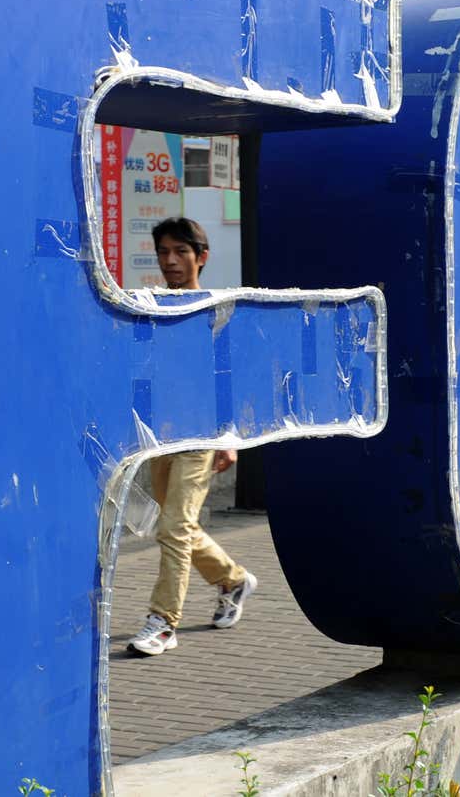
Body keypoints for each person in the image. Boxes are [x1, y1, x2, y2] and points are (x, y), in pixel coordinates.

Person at [128, 217, 258, 656]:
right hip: (163, 436)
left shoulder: (215, 308)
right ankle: (234, 579)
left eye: (181, 252)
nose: (171, 261)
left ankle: (163, 622)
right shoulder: (154, 305)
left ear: (201, 257)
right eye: (163, 252)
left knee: (175, 526)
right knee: (176, 525)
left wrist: (230, 437)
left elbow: (229, 378)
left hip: (201, 434)